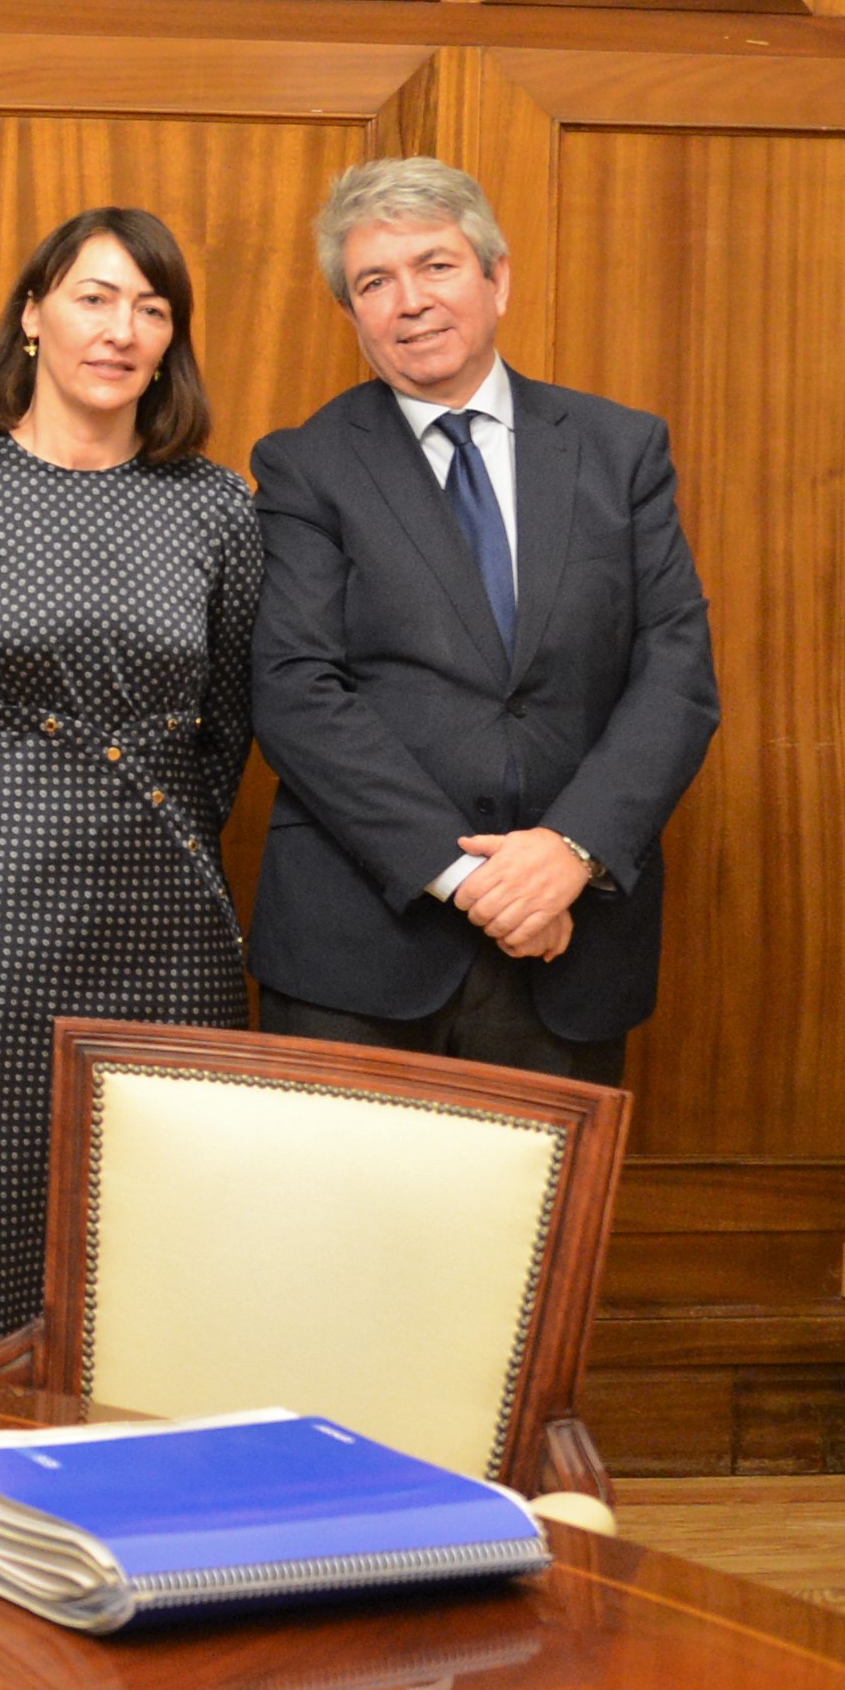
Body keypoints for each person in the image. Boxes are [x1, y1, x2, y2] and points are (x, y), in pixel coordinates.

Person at [0, 208, 264, 1362]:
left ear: (169, 342)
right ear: (31, 315)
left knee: (152, 1244)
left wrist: (134, 837)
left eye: (150, 309)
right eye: (93, 297)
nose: (120, 330)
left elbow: (225, 737)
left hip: (166, 928)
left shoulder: (216, 506)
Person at [248, 157, 720, 1082]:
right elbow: (295, 689)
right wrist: (471, 879)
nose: (410, 302)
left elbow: (676, 674)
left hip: (571, 943)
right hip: (360, 950)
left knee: (540, 1189)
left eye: (437, 266)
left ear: (497, 278)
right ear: (351, 314)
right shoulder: (305, 466)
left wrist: (571, 850)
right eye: (374, 283)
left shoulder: (619, 449)